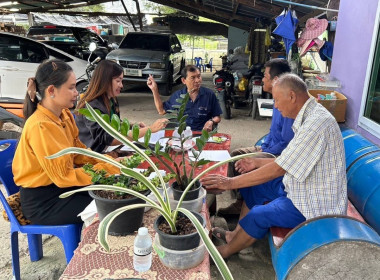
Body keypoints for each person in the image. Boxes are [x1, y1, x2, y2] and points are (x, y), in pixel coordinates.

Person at [200, 74, 347, 258]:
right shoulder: (310, 115)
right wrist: (256, 162)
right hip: (299, 186)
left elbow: (279, 168)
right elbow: (289, 159)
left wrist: (228, 183)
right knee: (253, 187)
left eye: (277, 100)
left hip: (314, 205)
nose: (275, 105)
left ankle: (226, 252)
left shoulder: (316, 125)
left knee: (258, 214)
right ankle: (234, 235)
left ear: (292, 96)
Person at [12, 60, 119, 225]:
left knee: (116, 191)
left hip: (62, 189)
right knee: (109, 208)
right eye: (71, 87)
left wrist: (108, 162)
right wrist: (108, 167)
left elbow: (79, 152)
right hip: (44, 202)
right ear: (51, 90)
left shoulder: (65, 115)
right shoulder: (41, 126)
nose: (77, 93)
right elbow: (64, 177)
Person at [219, 58, 294, 216]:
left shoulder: (287, 105)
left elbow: (286, 144)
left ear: (275, 80)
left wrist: (262, 156)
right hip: (268, 146)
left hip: (276, 154)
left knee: (243, 163)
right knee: (235, 156)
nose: (263, 79)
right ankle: (240, 200)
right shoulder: (276, 99)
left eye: (266, 76)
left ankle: (245, 202)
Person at [76, 60, 168, 153]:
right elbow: (109, 139)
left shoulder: (111, 99)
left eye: (122, 81)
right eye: (118, 81)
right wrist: (150, 129)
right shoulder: (92, 106)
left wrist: (131, 126)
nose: (121, 85)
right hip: (94, 155)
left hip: (107, 151)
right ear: (105, 80)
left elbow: (112, 124)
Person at [147, 65, 222, 132]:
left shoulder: (209, 94)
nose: (197, 80)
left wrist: (211, 121)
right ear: (183, 80)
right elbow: (162, 111)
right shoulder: (178, 96)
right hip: (183, 136)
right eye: (193, 78)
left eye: (199, 76)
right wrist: (154, 90)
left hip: (203, 134)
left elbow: (217, 117)